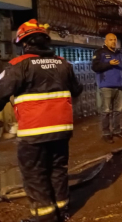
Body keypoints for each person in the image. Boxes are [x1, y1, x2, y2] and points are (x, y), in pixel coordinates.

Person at [0, 19, 83, 222]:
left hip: (33, 132)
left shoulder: (18, 65)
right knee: (57, 169)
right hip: (62, 130)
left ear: (25, 44)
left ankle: (44, 217)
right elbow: (77, 90)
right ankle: (62, 211)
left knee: (35, 173)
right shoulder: (63, 64)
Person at [92, 33, 122, 143]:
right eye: (110, 40)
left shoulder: (120, 54)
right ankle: (106, 133)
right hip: (106, 86)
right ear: (105, 41)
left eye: (115, 39)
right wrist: (109, 64)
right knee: (105, 111)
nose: (113, 42)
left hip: (119, 86)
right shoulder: (100, 53)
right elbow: (95, 67)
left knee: (118, 111)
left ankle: (116, 131)